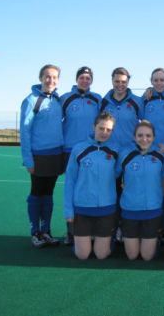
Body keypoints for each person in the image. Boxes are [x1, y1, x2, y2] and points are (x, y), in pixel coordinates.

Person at [64, 112, 119, 260]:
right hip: (82, 208)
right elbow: (70, 180)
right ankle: (79, 240)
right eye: (101, 128)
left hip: (106, 207)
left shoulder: (115, 150)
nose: (104, 133)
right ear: (93, 126)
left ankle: (109, 240)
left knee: (101, 255)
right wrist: (69, 211)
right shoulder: (79, 149)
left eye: (109, 130)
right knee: (82, 255)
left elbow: (121, 172)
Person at [20, 64, 63, 248]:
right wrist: (28, 160)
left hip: (55, 155)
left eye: (54, 77)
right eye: (47, 76)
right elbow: (25, 132)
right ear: (40, 78)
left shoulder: (58, 99)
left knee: (48, 194)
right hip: (39, 156)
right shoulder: (31, 100)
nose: (51, 80)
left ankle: (46, 232)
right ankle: (35, 233)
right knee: (36, 194)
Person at [60, 66, 102, 244]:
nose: (85, 80)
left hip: (92, 150)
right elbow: (57, 122)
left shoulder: (97, 99)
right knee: (72, 187)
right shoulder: (65, 99)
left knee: (91, 187)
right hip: (70, 150)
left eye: (88, 78)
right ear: (77, 79)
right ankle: (71, 230)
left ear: (92, 80)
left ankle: (91, 230)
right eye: (82, 77)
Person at [117, 121, 164, 261]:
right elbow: (114, 175)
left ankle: (158, 236)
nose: (144, 139)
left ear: (154, 137)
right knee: (132, 256)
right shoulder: (125, 155)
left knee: (147, 256)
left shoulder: (161, 156)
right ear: (134, 137)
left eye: (148, 136)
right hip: (130, 210)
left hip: (152, 210)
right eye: (140, 135)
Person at [101, 67, 143, 147]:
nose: (120, 84)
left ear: (128, 82)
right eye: (117, 81)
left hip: (131, 150)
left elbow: (146, 124)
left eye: (123, 82)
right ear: (112, 81)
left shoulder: (138, 102)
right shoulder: (103, 103)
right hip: (109, 150)